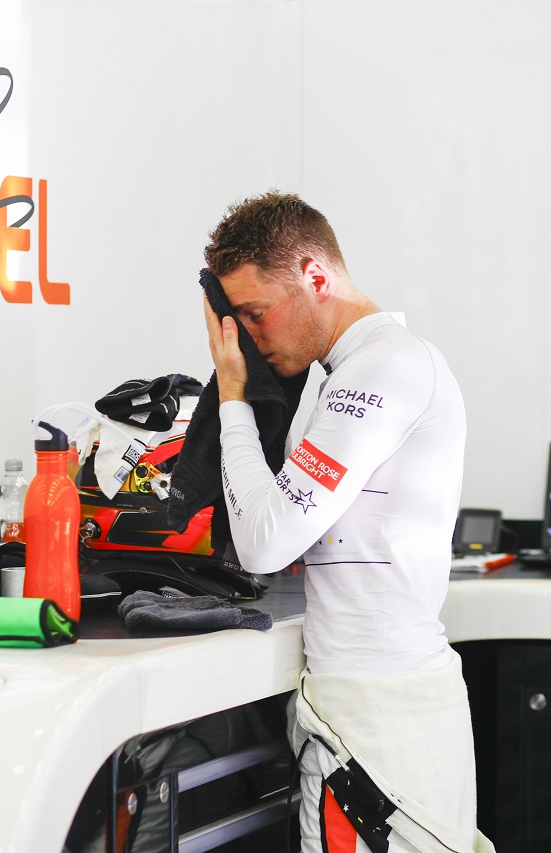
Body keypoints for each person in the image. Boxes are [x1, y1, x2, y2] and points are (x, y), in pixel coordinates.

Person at [200, 191, 494, 853]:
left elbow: (265, 542)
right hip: (379, 709)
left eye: (256, 313)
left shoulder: (383, 368)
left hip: (379, 717)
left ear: (314, 275)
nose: (249, 336)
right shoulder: (346, 375)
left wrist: (232, 395)